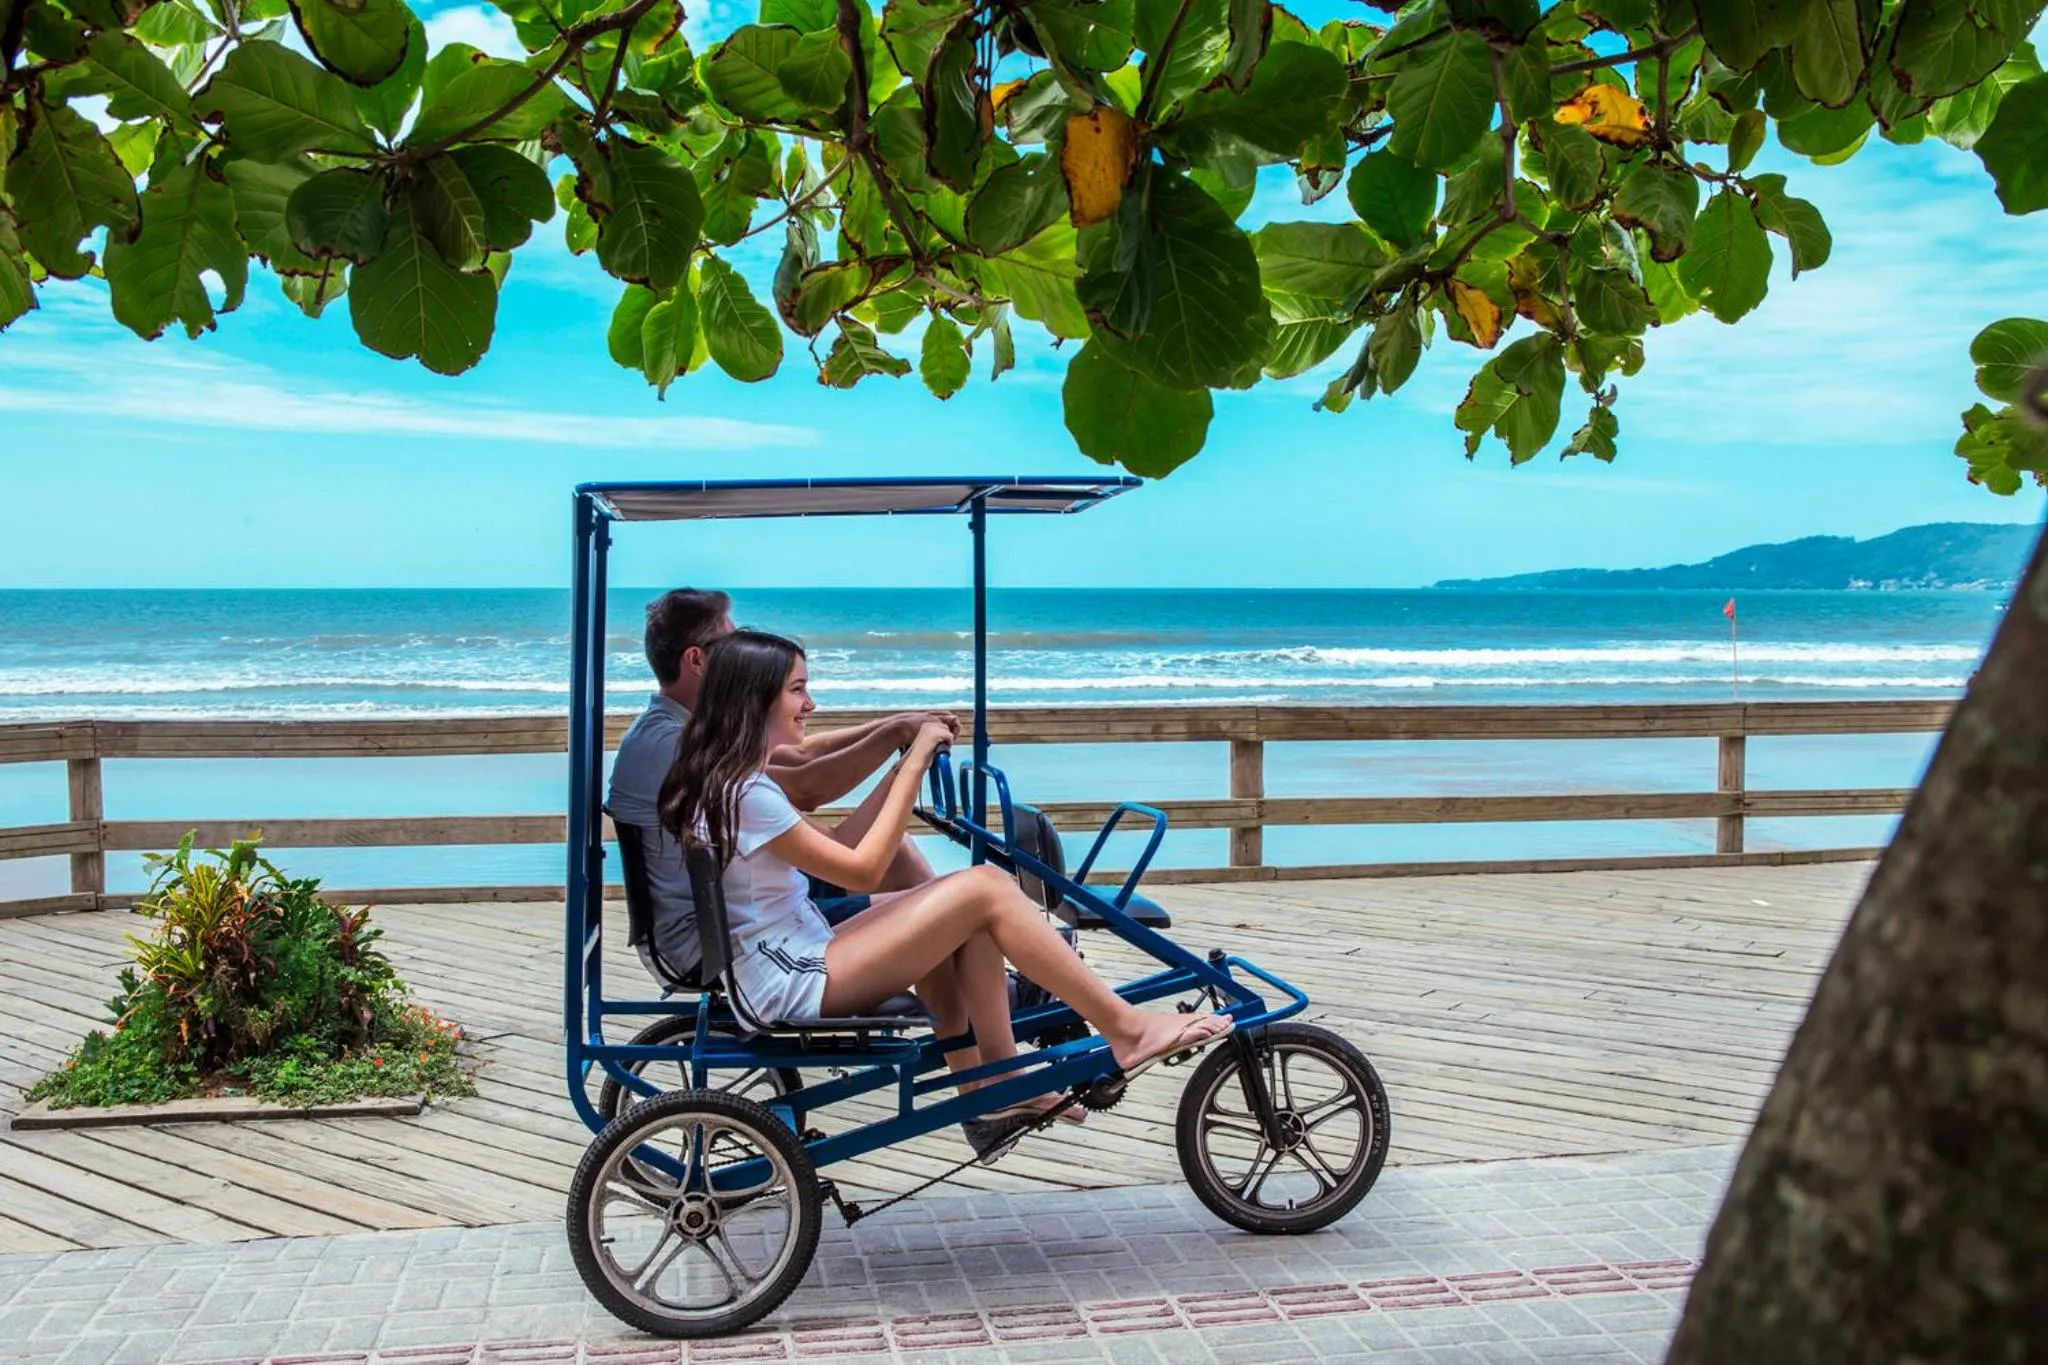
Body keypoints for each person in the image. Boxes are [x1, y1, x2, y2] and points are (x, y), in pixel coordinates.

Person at [658, 629, 1234, 1148]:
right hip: (790, 977)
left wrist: (902, 757)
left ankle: (996, 1080)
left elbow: (841, 850)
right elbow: (857, 871)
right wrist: (910, 769)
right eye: (797, 691)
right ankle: (1128, 1030)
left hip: (791, 950)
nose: (810, 705)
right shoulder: (746, 793)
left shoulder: (734, 781)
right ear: (755, 698)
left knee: (971, 906)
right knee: (984, 886)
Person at [607, 589, 957, 984]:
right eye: (731, 648)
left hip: (723, 912)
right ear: (697, 660)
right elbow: (807, 786)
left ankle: (976, 1001)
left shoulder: (679, 729)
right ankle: (985, 1003)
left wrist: (896, 726)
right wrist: (906, 754)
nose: (743, 657)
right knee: (935, 908)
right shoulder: (673, 746)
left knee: (899, 855)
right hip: (719, 935)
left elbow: (799, 754)